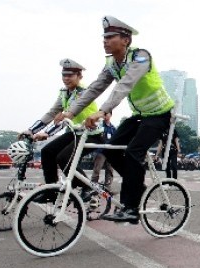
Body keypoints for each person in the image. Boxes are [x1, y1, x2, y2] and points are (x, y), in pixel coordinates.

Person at [54, 16, 175, 223]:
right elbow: (95, 88)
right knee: (109, 149)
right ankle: (136, 183)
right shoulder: (111, 63)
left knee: (134, 151)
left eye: (111, 37)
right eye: (104, 37)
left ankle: (131, 208)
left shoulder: (141, 57)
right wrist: (70, 113)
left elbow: (125, 84)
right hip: (140, 116)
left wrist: (102, 111)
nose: (105, 41)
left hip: (160, 115)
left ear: (126, 40)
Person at [21, 59, 100, 200]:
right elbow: (52, 113)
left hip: (92, 133)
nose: (66, 78)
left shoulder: (83, 93)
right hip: (75, 133)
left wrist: (47, 133)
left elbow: (67, 116)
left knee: (63, 157)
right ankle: (51, 191)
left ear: (79, 76)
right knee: (47, 151)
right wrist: (31, 130)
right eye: (64, 75)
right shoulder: (64, 93)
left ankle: (87, 188)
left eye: (71, 75)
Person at [91, 111, 116, 188]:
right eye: (104, 114)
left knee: (110, 171)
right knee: (96, 170)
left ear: (111, 115)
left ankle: (107, 187)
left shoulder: (113, 128)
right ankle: (93, 187)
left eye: (107, 113)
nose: (105, 115)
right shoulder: (99, 126)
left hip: (109, 152)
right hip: (100, 151)